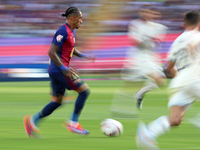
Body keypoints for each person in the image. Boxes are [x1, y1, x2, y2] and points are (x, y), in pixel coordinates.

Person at [24, 6, 97, 137]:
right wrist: (64, 68)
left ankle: (32, 121)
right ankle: (73, 124)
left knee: (58, 101)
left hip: (57, 70)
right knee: (84, 91)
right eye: (80, 19)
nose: (82, 21)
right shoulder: (62, 31)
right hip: (59, 70)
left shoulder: (71, 31)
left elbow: (70, 47)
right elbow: (51, 52)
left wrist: (84, 56)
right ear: (73, 18)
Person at [136, 10, 200, 149]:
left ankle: (147, 133)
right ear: (199, 24)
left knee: (175, 119)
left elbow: (170, 67)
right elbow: (193, 45)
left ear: (184, 24)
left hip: (180, 80)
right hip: (195, 76)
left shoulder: (177, 40)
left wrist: (183, 81)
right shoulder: (197, 36)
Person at [127, 5, 167, 110]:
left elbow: (157, 41)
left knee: (161, 82)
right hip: (140, 57)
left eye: (148, 12)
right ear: (140, 13)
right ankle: (138, 94)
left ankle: (139, 94)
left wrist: (152, 40)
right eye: (143, 12)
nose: (146, 14)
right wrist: (147, 41)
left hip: (152, 57)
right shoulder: (135, 24)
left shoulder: (157, 27)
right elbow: (135, 41)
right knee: (157, 79)